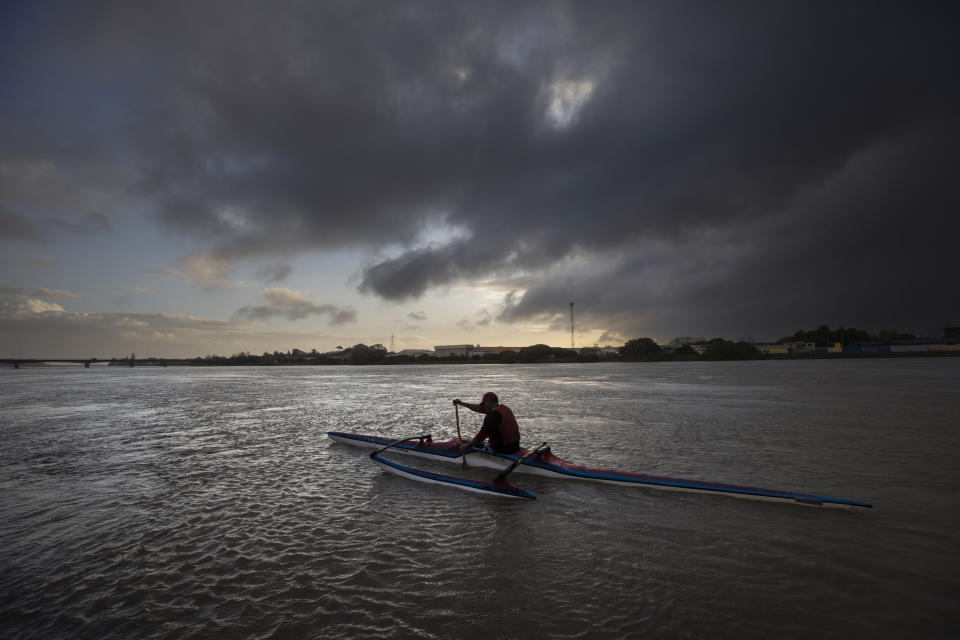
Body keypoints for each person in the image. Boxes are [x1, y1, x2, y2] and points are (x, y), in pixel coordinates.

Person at [453, 392, 521, 454]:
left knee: (475, 443)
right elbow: (478, 408)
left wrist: (466, 447)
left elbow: (481, 437)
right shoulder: (504, 408)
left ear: (489, 401)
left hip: (502, 450)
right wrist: (462, 403)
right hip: (515, 446)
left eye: (484, 403)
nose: (484, 406)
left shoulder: (492, 416)